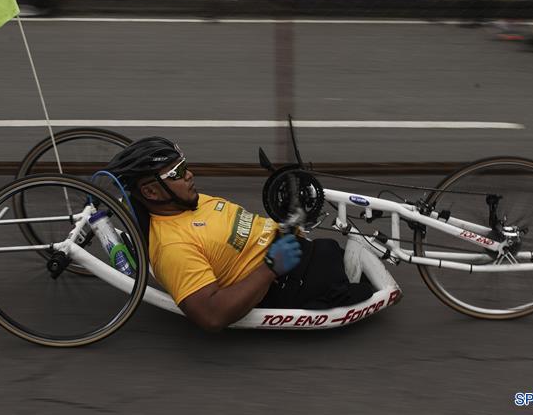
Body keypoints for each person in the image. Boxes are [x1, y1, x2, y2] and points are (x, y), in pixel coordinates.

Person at [105, 137, 374, 332]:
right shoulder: (174, 246)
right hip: (291, 282)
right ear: (151, 192)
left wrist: (285, 219)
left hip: (294, 248)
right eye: (177, 173)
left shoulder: (188, 202)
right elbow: (210, 316)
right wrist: (270, 269)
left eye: (185, 165)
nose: (189, 175)